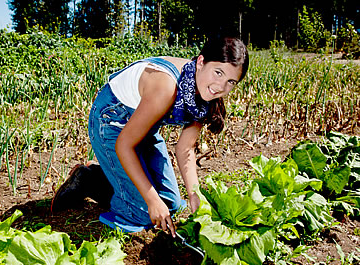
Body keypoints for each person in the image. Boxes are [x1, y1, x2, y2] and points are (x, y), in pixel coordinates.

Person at [51, 36, 249, 237]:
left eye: (230, 81)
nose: (220, 86)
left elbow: (185, 148)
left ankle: (120, 183)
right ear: (200, 62)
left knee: (170, 203)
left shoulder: (203, 97)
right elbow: (124, 145)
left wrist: (193, 194)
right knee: (145, 212)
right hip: (111, 124)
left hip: (143, 129)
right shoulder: (165, 87)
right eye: (218, 72)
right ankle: (90, 180)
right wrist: (152, 201)